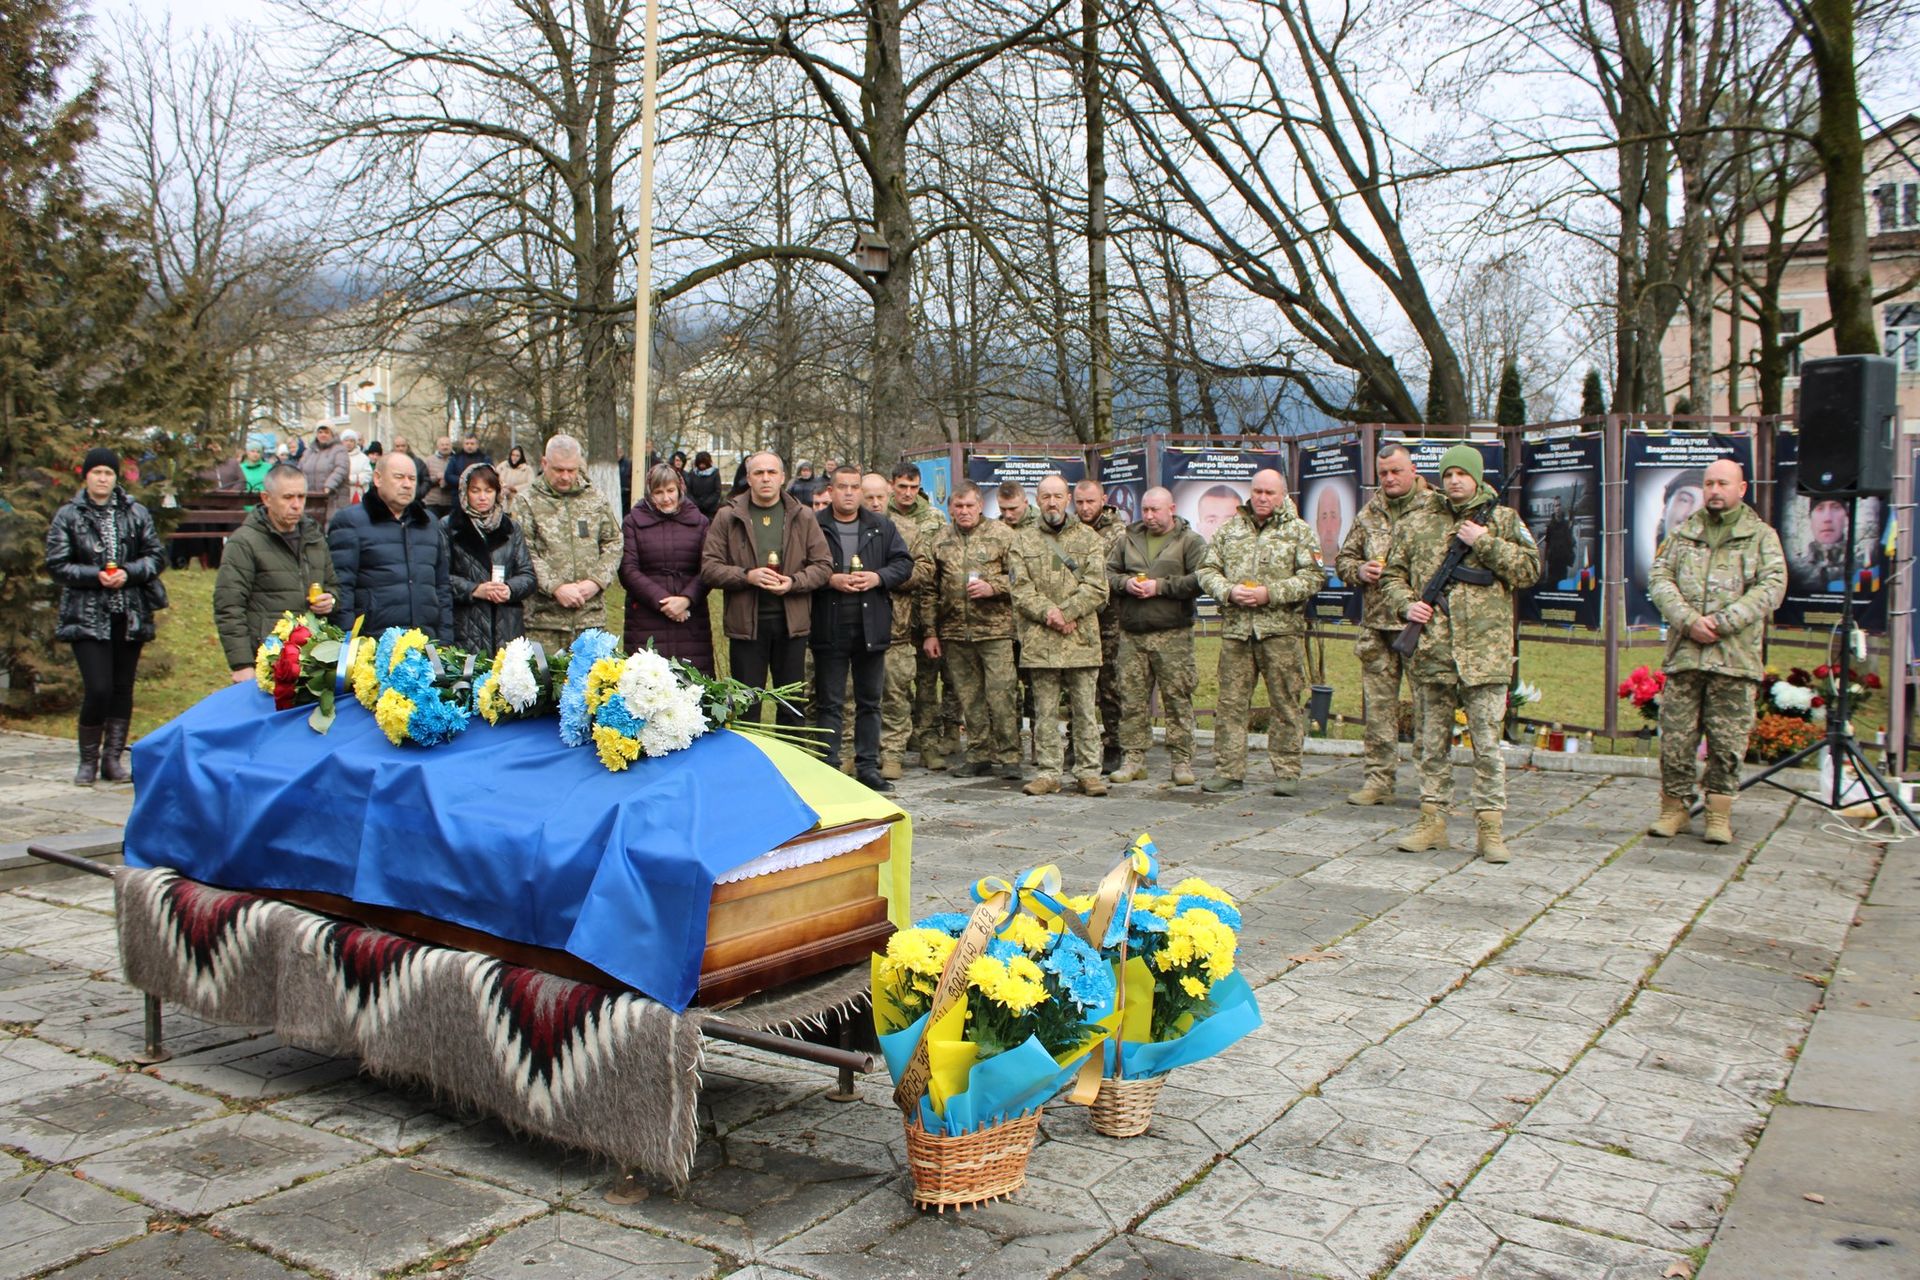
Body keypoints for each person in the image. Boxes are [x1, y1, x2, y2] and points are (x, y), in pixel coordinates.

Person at [1382, 445, 1541, 862]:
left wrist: (1484, 543)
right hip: (1433, 650)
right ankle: (1432, 821)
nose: (1454, 480)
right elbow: (1392, 574)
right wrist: (1405, 604)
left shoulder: (1503, 520)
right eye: (1448, 473)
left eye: (1462, 474)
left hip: (1484, 654)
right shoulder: (1417, 523)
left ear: (1476, 477)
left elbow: (1529, 570)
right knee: (1430, 744)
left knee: (1487, 745)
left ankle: (1490, 828)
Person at [1646, 459, 1786, 844]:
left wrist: (1724, 622)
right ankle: (1674, 809)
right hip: (1685, 655)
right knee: (1676, 738)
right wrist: (1687, 619)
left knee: (1727, 743)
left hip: (1734, 659)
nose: (1714, 491)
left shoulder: (1760, 536)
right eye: (1709, 483)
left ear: (1741, 489)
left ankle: (1718, 814)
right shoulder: (1683, 533)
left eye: (1722, 483)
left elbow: (1771, 586)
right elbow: (1660, 578)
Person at [1196, 469, 1324, 795]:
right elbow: (1207, 570)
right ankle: (1228, 770)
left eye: (1270, 492)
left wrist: (1272, 593)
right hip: (1237, 632)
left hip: (1280, 632)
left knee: (1285, 703)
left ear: (1283, 494)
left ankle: (1286, 772)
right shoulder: (1230, 530)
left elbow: (1313, 577)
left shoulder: (1299, 532)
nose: (1263, 498)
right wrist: (1227, 591)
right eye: (1258, 491)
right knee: (1230, 704)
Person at [46, 448, 166, 786]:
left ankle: (112, 760)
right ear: (86, 476)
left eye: (109, 473)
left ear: (116, 478)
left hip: (129, 611)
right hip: (86, 613)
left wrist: (128, 572)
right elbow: (57, 564)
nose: (102, 478)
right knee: (97, 688)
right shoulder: (69, 515)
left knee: (121, 688)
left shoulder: (135, 512)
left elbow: (156, 556)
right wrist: (94, 574)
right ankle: (88, 759)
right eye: (97, 472)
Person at [701, 451, 833, 727]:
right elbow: (709, 568)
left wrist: (794, 582)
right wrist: (746, 576)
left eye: (772, 472)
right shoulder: (728, 517)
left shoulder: (803, 516)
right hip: (747, 626)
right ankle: (750, 768)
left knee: (792, 706)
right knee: (746, 706)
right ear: (748, 478)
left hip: (791, 624)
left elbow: (823, 565)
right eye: (759, 473)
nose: (765, 478)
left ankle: (791, 767)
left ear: (783, 477)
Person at [1335, 444, 1430, 806]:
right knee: (1378, 708)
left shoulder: (1434, 508)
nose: (1389, 479)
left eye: (1396, 471)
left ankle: (1430, 785)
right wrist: (1358, 570)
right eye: (1383, 473)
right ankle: (1378, 779)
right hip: (1377, 624)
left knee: (1428, 708)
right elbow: (1344, 558)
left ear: (1413, 470)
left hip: (1421, 625)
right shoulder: (1370, 512)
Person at [811, 466, 915, 790]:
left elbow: (904, 564)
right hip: (829, 624)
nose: (849, 493)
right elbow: (801, 566)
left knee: (870, 701)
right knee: (829, 701)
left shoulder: (881, 526)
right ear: (830, 491)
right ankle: (828, 764)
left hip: (871, 626)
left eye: (854, 487)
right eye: (842, 486)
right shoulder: (815, 525)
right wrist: (830, 580)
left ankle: (868, 766)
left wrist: (877, 577)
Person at [1007, 475, 1110, 797]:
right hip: (1041, 639)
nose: (1052, 502)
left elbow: (1098, 588)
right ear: (1037, 501)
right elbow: (1019, 588)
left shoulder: (1089, 538)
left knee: (1084, 710)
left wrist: (1066, 613)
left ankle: (1088, 772)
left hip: (1080, 638)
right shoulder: (1022, 540)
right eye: (1046, 496)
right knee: (1045, 711)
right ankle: (1049, 772)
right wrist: (1050, 614)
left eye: (1058, 496)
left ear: (1068, 499)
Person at [1106, 486, 1206, 787]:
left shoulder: (1189, 541)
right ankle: (1133, 759)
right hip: (1133, 633)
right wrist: (1125, 584)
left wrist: (1160, 586)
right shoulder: (1128, 539)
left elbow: (1201, 578)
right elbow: (1108, 573)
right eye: (1145, 510)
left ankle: (1182, 760)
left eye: (1155, 510)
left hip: (1173, 633)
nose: (1149, 516)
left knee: (1177, 699)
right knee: (1132, 699)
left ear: (1171, 508)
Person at [920, 481, 1020, 778]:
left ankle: (1010, 756)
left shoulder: (1003, 535)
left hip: (995, 630)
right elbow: (928, 590)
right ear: (950, 508)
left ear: (980, 506)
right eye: (958, 506)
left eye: (969, 506)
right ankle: (978, 753)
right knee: (969, 697)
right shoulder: (939, 540)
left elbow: (1021, 578)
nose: (963, 512)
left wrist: (994, 587)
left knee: (1002, 694)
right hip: (953, 631)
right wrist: (930, 631)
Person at [215, 463, 338, 683]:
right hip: (266, 657)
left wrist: (330, 600)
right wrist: (242, 664)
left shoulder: (314, 538)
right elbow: (229, 606)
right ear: (266, 498)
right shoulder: (244, 543)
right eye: (288, 497)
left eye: (301, 497)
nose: (296, 505)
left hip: (312, 656)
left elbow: (332, 584)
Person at [327, 449, 454, 640]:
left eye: (412, 479)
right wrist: (347, 644)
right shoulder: (350, 521)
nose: (407, 484)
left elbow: (442, 586)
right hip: (373, 643)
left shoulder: (428, 522)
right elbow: (342, 588)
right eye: (399, 477)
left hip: (425, 642)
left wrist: (444, 639)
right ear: (378, 479)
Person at [519, 434, 622, 653]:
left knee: (594, 685)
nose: (566, 477)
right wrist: (556, 587)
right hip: (544, 621)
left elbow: (614, 541)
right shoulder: (527, 501)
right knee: (544, 685)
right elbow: (525, 551)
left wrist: (596, 581)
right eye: (558, 470)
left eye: (572, 470)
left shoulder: (595, 498)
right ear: (544, 463)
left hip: (590, 618)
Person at [888, 462, 958, 770]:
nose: (907, 493)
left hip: (927, 607)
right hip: (892, 611)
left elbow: (939, 562)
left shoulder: (934, 517)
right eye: (902, 487)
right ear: (893, 485)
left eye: (913, 487)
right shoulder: (880, 516)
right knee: (894, 684)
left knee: (928, 681)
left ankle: (929, 742)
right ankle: (894, 744)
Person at [620, 463, 714, 673]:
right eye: (658, 492)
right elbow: (628, 570)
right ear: (649, 494)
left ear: (680, 489)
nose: (666, 498)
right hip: (646, 615)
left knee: (693, 686)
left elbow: (708, 568)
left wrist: (686, 599)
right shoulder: (633, 523)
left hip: (691, 617)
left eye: (670, 491)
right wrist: (664, 602)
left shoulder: (700, 523)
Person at [443, 463, 535, 654]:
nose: (482, 497)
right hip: (467, 626)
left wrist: (509, 589)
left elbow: (528, 575)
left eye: (489, 490)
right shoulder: (449, 526)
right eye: (475, 491)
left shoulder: (511, 528)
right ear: (465, 492)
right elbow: (440, 577)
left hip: (507, 627)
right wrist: (475, 589)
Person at [1074, 478, 1127, 774]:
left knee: (1110, 684)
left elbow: (1113, 576)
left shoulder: (1118, 533)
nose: (1084, 508)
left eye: (1090, 502)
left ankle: (1115, 743)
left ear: (1103, 500)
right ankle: (1077, 743)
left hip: (1109, 622)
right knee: (1078, 685)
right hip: (1077, 620)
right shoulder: (1070, 531)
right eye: (1079, 502)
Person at [297, 423, 349, 523]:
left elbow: (341, 468)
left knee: (331, 525)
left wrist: (329, 485)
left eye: (326, 432)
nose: (323, 435)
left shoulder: (339, 450)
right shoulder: (309, 452)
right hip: (312, 499)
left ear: (332, 434)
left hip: (333, 498)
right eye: (320, 432)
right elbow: (299, 469)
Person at [1313, 485, 1346, 586]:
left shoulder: (1349, 566)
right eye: (1324, 517)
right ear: (1317, 525)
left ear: (1340, 523)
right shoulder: (1307, 565)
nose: (1328, 528)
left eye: (1333, 516)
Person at [1543, 500, 1575, 585]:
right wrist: (1545, 559)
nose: (1558, 508)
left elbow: (1570, 542)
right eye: (1556, 506)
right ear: (1553, 508)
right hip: (1553, 560)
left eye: (1559, 505)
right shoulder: (1550, 526)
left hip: (1563, 560)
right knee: (1551, 583)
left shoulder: (1566, 525)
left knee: (1562, 583)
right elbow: (1547, 543)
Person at [684, 450, 723, 517]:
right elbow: (689, 491)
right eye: (700, 463)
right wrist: (695, 503)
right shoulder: (693, 474)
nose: (701, 465)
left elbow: (717, 491)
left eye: (703, 463)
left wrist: (706, 503)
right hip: (695, 508)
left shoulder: (715, 473)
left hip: (710, 510)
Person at [422, 436, 455, 513]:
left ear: (451, 446)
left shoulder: (457, 460)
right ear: (438, 447)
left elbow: (461, 479)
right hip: (432, 502)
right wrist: (436, 478)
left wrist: (447, 479)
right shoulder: (429, 460)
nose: (445, 447)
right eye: (442, 445)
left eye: (447, 444)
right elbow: (423, 480)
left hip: (451, 503)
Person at [341, 430, 373, 507]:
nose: (348, 443)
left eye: (351, 441)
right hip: (340, 494)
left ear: (355, 443)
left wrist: (352, 479)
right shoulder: (338, 456)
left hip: (356, 493)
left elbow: (368, 475)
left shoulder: (363, 458)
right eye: (346, 440)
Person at [499, 444, 535, 513]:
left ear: (521, 457)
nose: (514, 457)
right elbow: (497, 477)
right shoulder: (504, 466)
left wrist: (515, 488)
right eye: (513, 455)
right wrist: (502, 486)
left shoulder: (527, 469)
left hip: (518, 504)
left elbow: (531, 484)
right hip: (503, 503)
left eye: (517, 456)